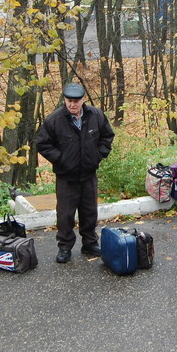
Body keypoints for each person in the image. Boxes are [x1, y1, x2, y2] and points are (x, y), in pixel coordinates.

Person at [36, 83, 115, 263]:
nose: (72, 104)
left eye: (76, 101)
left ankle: (89, 243)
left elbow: (107, 136)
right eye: (69, 101)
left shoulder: (95, 115)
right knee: (65, 215)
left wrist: (97, 156)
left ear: (83, 100)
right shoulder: (54, 120)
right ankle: (64, 247)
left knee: (89, 212)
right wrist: (62, 160)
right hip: (66, 178)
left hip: (88, 174)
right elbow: (43, 144)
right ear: (64, 100)